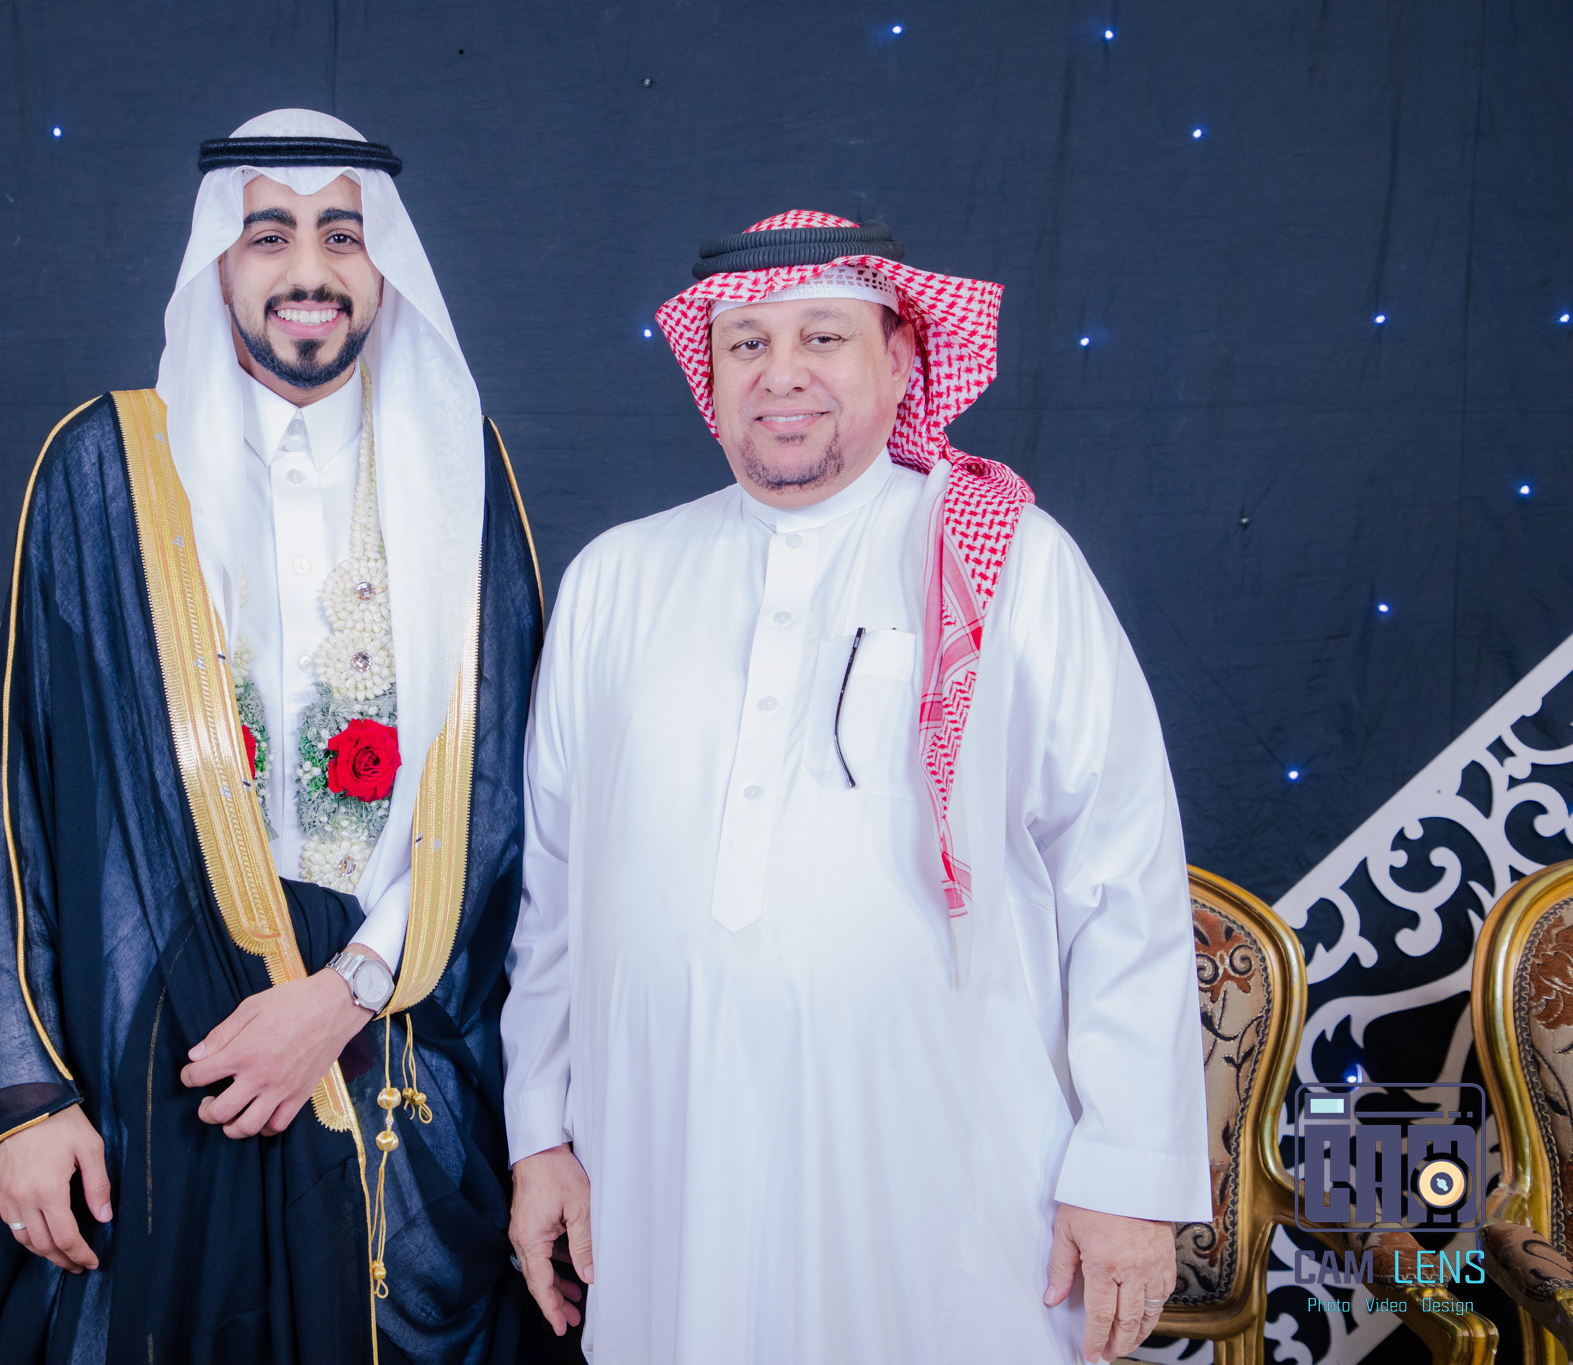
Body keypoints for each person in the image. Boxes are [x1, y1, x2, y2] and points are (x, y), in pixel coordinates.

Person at [501, 212, 1210, 1364]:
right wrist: (538, 1134)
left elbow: (1117, 875)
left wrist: (1128, 1172)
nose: (779, 375)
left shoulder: (1008, 560)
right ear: (708, 371)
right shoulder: (614, 580)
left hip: (945, 1168)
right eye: (746, 344)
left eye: (821, 337)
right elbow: (554, 894)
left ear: (899, 360)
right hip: (665, 1163)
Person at [0, 109, 544, 1365]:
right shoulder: (102, 468)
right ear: (217, 261)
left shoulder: (459, 465)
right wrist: (25, 1098)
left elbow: (500, 791)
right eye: (270, 235)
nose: (308, 269)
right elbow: (22, 807)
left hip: (390, 1050)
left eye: (341, 235)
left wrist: (344, 990)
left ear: (385, 265)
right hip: (149, 1059)